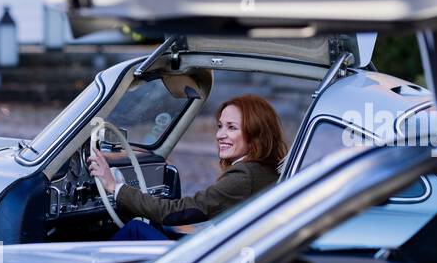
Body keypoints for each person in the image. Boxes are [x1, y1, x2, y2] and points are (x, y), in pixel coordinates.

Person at [89, 94, 288, 240]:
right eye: (220, 126)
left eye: (232, 127)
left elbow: (172, 212)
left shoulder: (244, 176)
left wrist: (115, 187)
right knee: (160, 228)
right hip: (228, 250)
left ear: (256, 134)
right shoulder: (265, 170)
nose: (220, 135)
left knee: (135, 229)